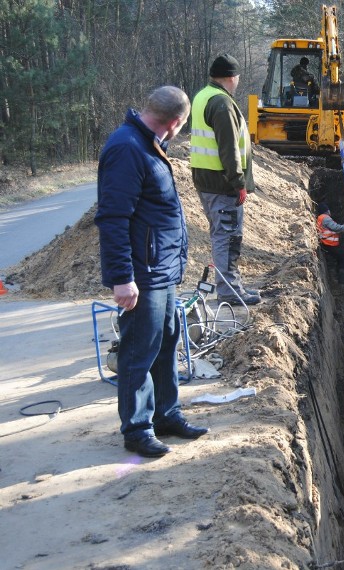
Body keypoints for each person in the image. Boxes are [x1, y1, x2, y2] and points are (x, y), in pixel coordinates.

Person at [95, 86, 209, 458]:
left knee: (166, 343)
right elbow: (112, 219)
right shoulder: (127, 148)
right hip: (142, 274)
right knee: (139, 350)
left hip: (161, 270)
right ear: (176, 123)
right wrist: (121, 277)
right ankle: (138, 428)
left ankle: (166, 414)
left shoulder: (149, 144)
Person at [190, 53, 261, 305]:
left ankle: (233, 286)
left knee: (223, 236)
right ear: (232, 77)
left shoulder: (202, 96)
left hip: (207, 181)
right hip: (222, 184)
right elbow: (228, 148)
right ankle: (230, 292)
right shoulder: (221, 103)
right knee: (228, 237)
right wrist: (238, 182)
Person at [316, 202, 344, 282]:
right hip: (330, 244)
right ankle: (342, 280)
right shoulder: (326, 218)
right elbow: (336, 228)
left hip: (326, 244)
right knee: (343, 258)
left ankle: (337, 276)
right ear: (327, 210)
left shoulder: (320, 218)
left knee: (339, 258)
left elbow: (336, 227)